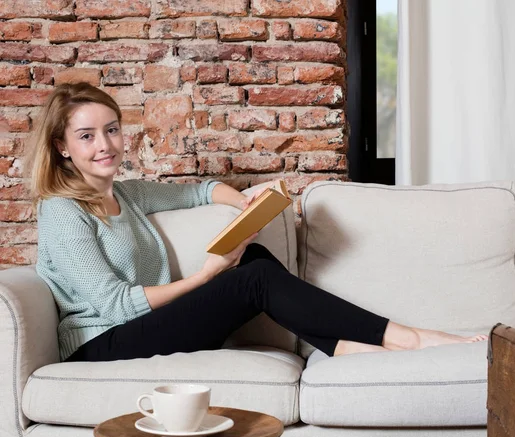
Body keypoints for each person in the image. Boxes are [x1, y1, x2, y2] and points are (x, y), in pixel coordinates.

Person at [27, 82, 486, 363]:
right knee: (255, 278)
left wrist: (243, 204)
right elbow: (117, 307)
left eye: (111, 129)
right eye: (87, 136)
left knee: (257, 258)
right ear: (63, 147)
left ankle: (348, 348)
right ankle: (411, 338)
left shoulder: (125, 192)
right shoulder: (62, 211)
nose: (105, 144)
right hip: (102, 344)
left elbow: (199, 190)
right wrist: (209, 274)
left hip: (142, 329)